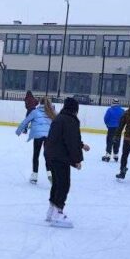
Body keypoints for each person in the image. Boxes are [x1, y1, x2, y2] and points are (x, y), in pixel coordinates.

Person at [43, 97, 90, 228]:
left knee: (57, 183)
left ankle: (51, 210)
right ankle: (58, 212)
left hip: (50, 155)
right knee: (64, 184)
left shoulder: (60, 118)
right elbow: (71, 141)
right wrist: (76, 161)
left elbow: (66, 138)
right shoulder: (70, 120)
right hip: (59, 156)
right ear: (75, 109)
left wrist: (81, 145)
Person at [16, 97, 56, 184]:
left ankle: (34, 176)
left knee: (36, 155)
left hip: (38, 135)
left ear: (39, 103)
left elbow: (25, 121)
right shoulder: (52, 112)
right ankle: (50, 174)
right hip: (49, 136)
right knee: (47, 156)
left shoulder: (35, 111)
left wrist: (18, 131)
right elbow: (58, 122)